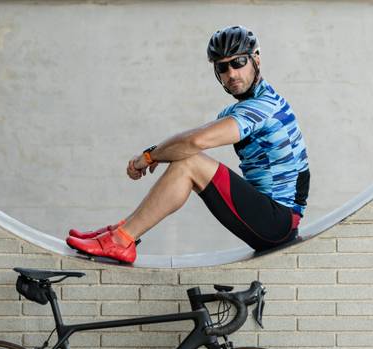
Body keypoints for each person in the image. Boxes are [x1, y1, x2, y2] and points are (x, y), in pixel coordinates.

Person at [67, 25, 310, 263]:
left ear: (256, 59)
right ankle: (120, 231)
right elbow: (187, 143)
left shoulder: (263, 107)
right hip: (270, 217)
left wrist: (150, 157)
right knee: (187, 159)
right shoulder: (239, 108)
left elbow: (195, 141)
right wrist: (161, 154)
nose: (232, 74)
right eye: (223, 67)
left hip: (279, 222)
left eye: (238, 63)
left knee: (190, 162)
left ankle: (121, 239)